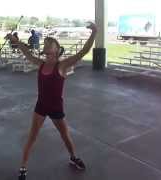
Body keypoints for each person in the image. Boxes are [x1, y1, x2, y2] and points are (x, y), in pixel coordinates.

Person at [5, 22, 97, 180]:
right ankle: (23, 168)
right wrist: (15, 39)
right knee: (32, 137)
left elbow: (83, 52)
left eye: (50, 43)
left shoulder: (62, 65)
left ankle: (73, 157)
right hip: (41, 106)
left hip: (56, 107)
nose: (47, 44)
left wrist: (94, 32)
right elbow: (26, 51)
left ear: (56, 49)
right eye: (46, 43)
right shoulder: (40, 64)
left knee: (65, 135)